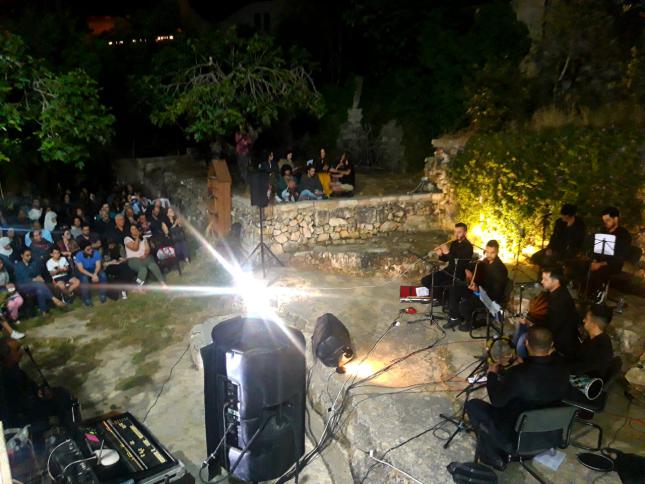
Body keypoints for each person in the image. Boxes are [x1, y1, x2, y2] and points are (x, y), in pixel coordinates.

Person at [465, 326, 569, 469]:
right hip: (550, 435)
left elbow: (497, 401)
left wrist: (492, 374)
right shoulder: (563, 368)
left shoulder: (518, 374)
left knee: (473, 405)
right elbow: (542, 379)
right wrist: (525, 365)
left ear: (526, 343)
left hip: (517, 438)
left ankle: (492, 455)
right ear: (551, 345)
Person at [0, 338, 74, 430]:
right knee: (61, 397)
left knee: (61, 393)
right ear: (7, 355)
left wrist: (40, 391)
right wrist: (39, 397)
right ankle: (70, 429)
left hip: (31, 404)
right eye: (17, 349)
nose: (21, 352)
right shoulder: (7, 376)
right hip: (23, 416)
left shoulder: (13, 368)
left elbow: (29, 386)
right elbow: (18, 404)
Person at [513, 268, 580, 360]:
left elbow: (552, 327)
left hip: (557, 338)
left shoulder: (559, 301)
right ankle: (514, 349)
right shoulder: (555, 291)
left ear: (556, 281)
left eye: (545, 279)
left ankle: (526, 361)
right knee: (521, 324)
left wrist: (531, 324)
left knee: (522, 342)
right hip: (549, 327)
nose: (541, 281)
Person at [446, 240, 508, 331]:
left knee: (464, 305)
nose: (489, 255)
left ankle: (471, 323)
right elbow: (472, 267)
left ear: (497, 252)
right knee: (455, 289)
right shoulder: (485, 261)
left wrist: (478, 290)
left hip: (488, 297)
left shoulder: (501, 269)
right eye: (487, 252)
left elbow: (496, 293)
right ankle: (455, 317)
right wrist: (467, 270)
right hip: (478, 289)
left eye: (492, 252)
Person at [421, 223, 474, 307]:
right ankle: (441, 299)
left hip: (458, 273)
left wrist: (447, 252)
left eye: (459, 232)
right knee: (425, 281)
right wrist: (441, 254)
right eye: (455, 232)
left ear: (465, 233)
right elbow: (446, 259)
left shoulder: (468, 247)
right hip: (449, 270)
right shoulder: (454, 243)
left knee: (439, 285)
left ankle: (444, 301)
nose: (456, 234)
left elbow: (460, 263)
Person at [586, 206, 632, 300]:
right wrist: (594, 260)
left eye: (608, 220)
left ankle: (598, 299)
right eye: (604, 220)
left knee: (600, 272)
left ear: (616, 219)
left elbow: (620, 256)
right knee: (585, 266)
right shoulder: (603, 231)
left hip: (613, 264)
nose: (605, 222)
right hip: (599, 261)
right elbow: (596, 249)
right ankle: (585, 296)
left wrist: (600, 264)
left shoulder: (624, 235)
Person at [531, 204, 586, 269]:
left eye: (563, 215)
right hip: (555, 248)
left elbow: (576, 242)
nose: (561, 216)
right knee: (535, 257)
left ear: (568, 216)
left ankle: (552, 273)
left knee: (546, 262)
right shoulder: (559, 222)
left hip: (567, 251)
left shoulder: (579, 225)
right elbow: (554, 236)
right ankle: (546, 273)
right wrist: (550, 248)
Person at [14, 248, 65, 315]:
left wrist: (39, 277)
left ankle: (44, 312)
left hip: (36, 285)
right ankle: (55, 300)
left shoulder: (33, 263)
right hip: (23, 286)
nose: (29, 257)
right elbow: (24, 278)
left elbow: (37, 273)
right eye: (27, 255)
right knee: (40, 285)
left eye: (30, 255)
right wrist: (35, 279)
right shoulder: (18, 266)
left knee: (40, 290)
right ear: (22, 255)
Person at [568, 304, 614, 379]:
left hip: (588, 378)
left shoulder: (597, 350)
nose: (583, 320)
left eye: (586, 319)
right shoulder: (598, 337)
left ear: (594, 324)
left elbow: (577, 369)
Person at [74, 241, 107, 306]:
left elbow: (98, 266)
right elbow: (81, 269)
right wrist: (92, 275)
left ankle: (103, 295)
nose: (91, 250)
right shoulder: (79, 255)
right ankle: (87, 299)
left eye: (91, 248)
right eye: (88, 249)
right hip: (83, 270)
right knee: (84, 279)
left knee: (103, 275)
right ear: (83, 250)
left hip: (93, 268)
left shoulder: (96, 253)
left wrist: (95, 274)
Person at [0, 263, 24, 339]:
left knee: (19, 300)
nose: (1, 265)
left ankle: (13, 319)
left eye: (1, 262)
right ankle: (12, 332)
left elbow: (7, 282)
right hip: (2, 292)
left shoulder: (4, 271)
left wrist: (9, 286)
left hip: (6, 291)